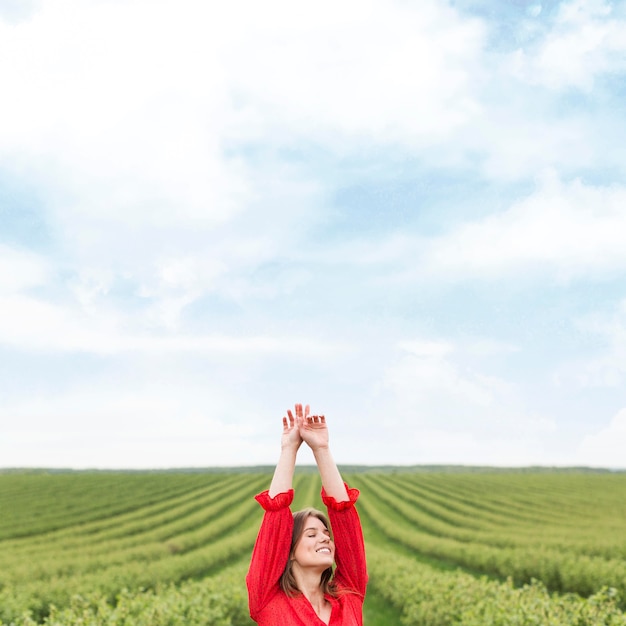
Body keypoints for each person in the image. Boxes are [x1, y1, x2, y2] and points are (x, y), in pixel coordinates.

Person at [246, 403, 368, 626]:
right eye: (311, 534)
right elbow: (275, 520)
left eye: (325, 533)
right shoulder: (269, 602)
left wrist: (321, 449)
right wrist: (289, 450)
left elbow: (344, 518)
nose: (325, 538)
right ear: (289, 551)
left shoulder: (350, 595)